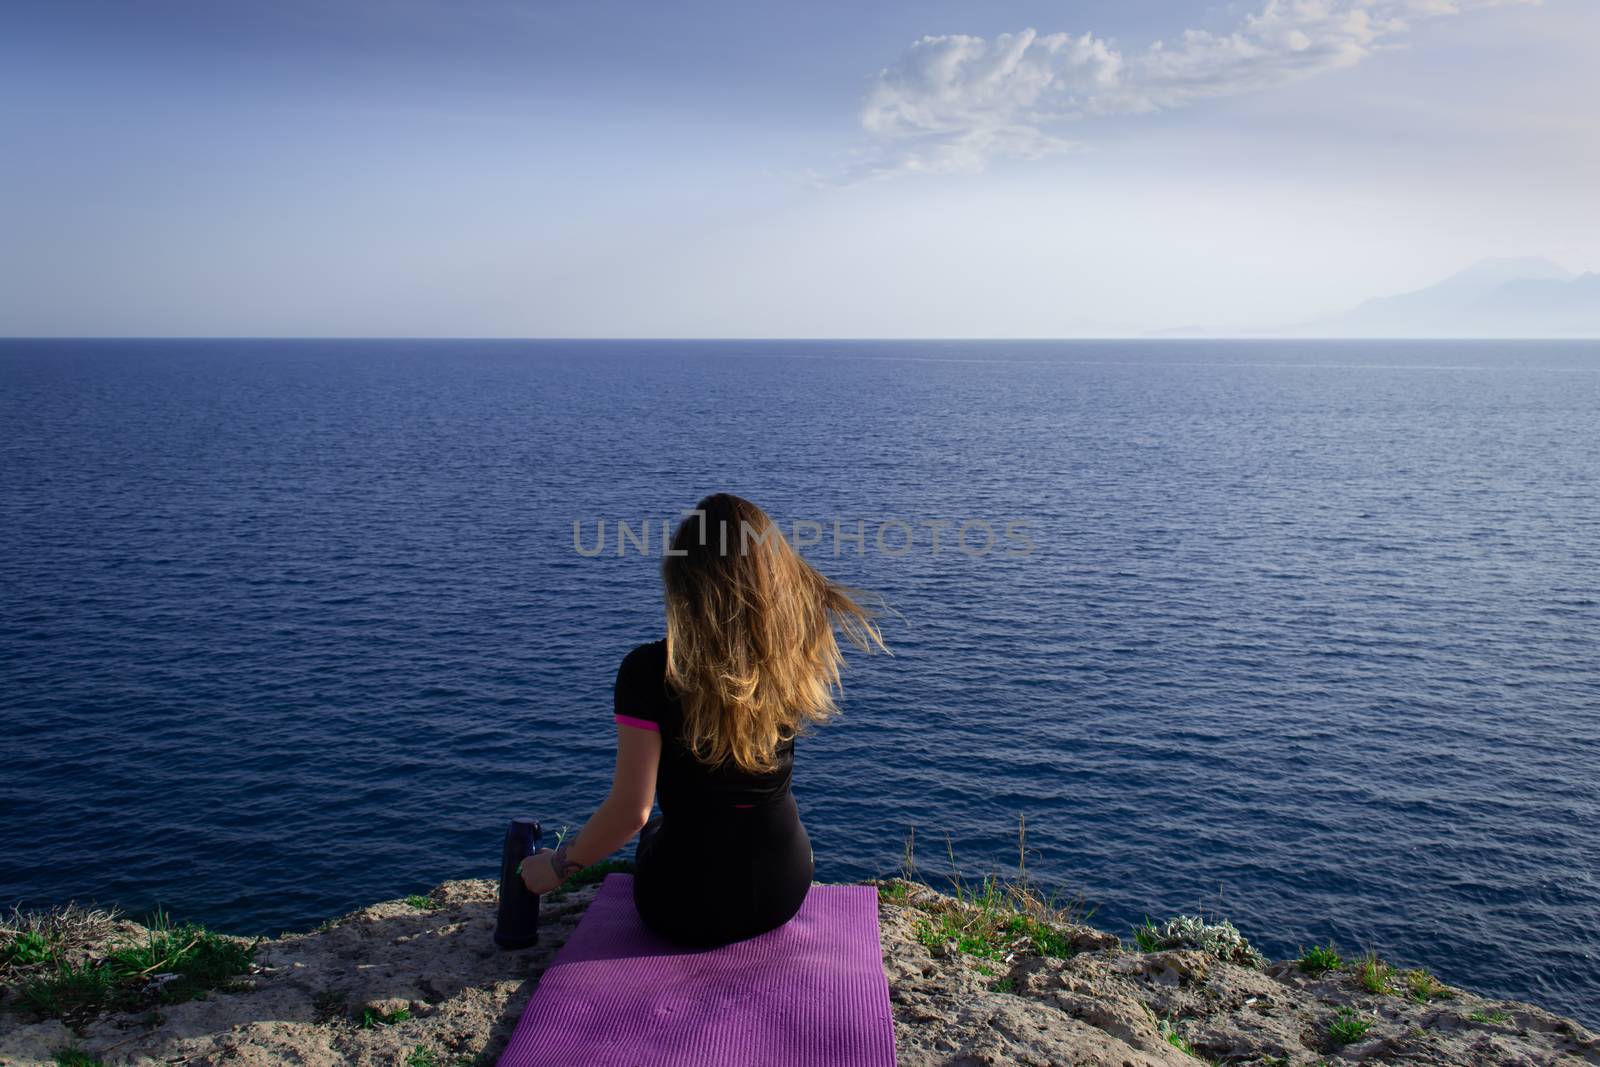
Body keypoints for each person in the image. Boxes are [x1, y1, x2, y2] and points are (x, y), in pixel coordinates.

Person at [519, 493, 888, 946]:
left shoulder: (650, 671)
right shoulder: (793, 651)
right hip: (786, 886)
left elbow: (631, 812)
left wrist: (555, 868)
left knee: (658, 830)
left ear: (684, 580)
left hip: (684, 906)